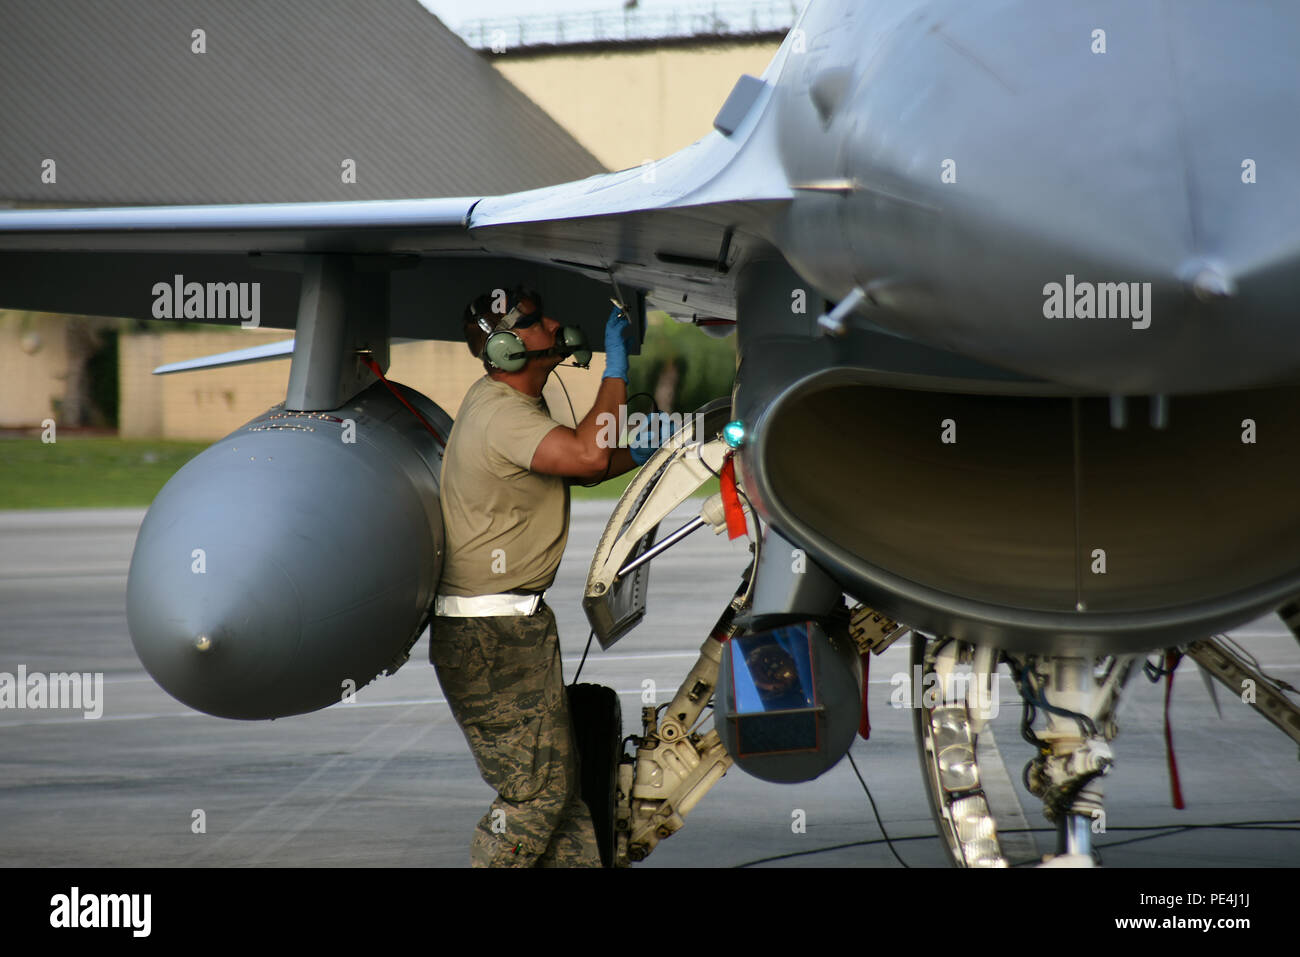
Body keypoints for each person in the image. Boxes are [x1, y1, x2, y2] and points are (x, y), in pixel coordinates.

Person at [431, 287, 654, 867]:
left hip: (511, 629)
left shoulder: (513, 408)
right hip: (492, 637)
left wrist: (653, 447)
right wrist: (615, 370)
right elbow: (585, 457)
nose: (556, 322)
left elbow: (589, 461)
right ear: (505, 346)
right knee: (534, 796)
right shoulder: (502, 414)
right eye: (535, 320)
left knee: (563, 794)